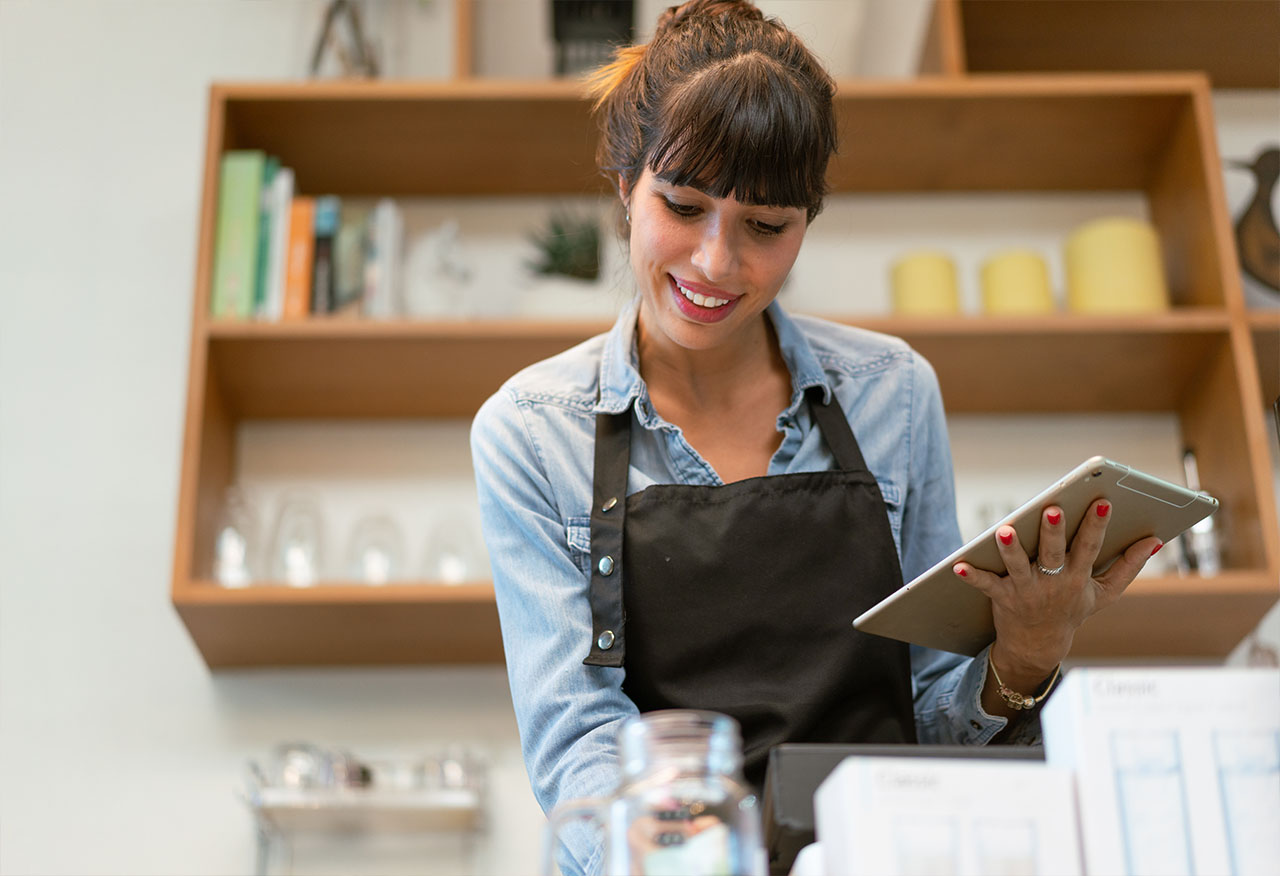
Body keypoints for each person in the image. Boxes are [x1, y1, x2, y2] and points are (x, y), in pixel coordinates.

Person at [470, 2, 1163, 873]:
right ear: (623, 183)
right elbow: (580, 749)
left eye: (766, 227)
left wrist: (1023, 655)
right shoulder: (532, 434)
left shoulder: (894, 395)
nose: (717, 264)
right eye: (683, 206)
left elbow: (927, 715)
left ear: (808, 220)